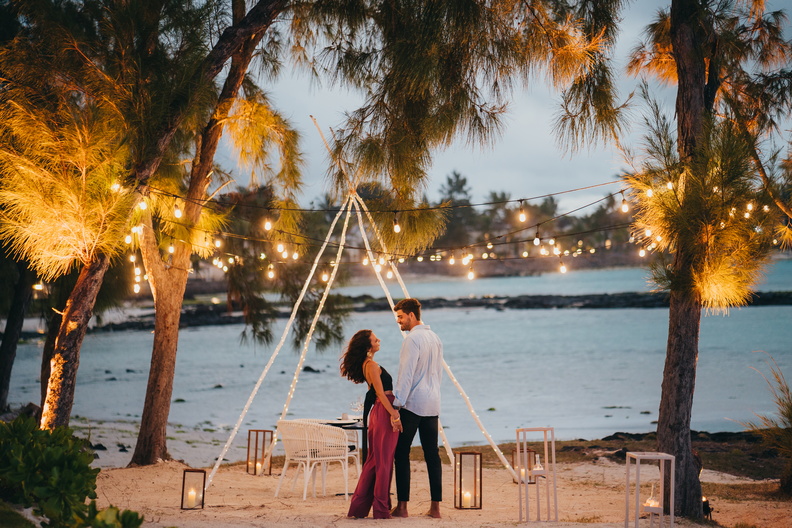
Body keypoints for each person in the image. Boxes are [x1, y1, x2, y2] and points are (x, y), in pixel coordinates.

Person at [341, 329, 403, 519]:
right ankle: (381, 509)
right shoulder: (372, 366)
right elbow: (380, 394)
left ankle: (360, 508)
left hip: (379, 412)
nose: (379, 340)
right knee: (383, 462)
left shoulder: (367, 364)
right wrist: (394, 415)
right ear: (368, 346)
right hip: (384, 412)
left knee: (375, 460)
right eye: (375, 340)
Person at [390, 298, 444, 518]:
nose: (399, 321)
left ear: (411, 315)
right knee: (432, 455)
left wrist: (397, 404)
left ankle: (402, 507)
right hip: (432, 403)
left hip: (412, 405)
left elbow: (406, 375)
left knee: (401, 453)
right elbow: (438, 374)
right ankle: (435, 508)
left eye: (401, 317)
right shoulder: (435, 337)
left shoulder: (412, 340)